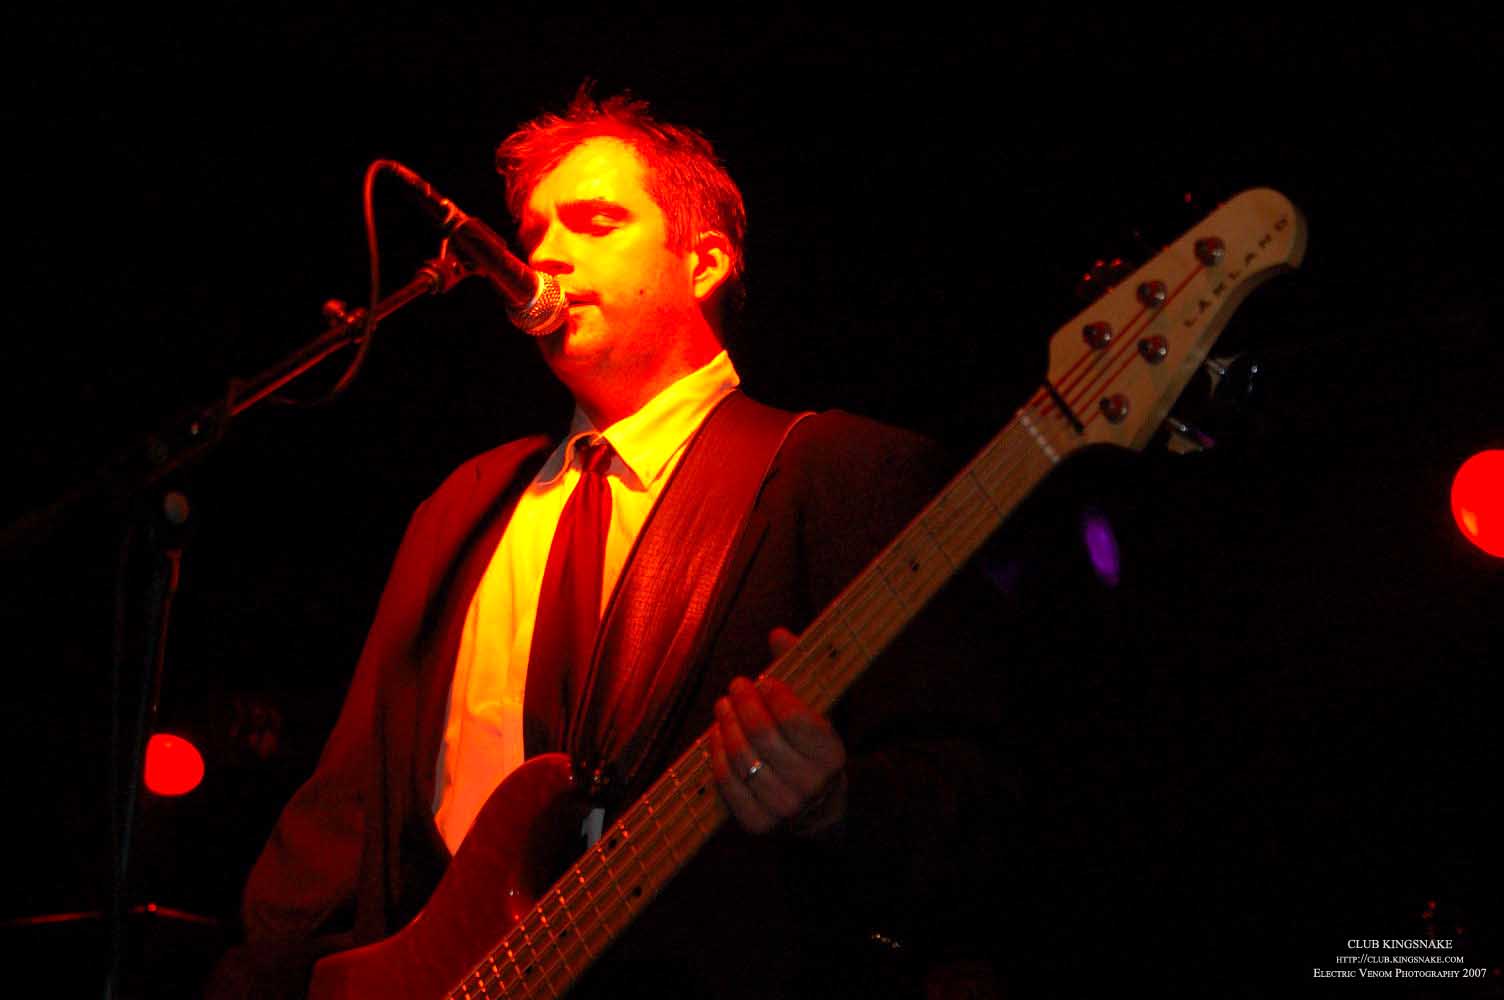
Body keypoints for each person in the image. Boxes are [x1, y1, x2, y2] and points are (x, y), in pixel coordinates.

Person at [209, 88, 1015, 999]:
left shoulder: (845, 472)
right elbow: (342, 814)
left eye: (594, 222)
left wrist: (839, 805)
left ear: (704, 263)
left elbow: (983, 789)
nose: (545, 254)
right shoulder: (462, 506)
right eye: (533, 231)